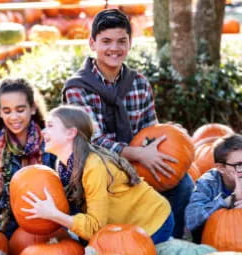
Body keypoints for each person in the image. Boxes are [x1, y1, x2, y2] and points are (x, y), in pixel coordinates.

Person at [61, 8, 193, 238]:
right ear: (92, 43)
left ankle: (172, 240)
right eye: (106, 41)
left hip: (136, 163)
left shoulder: (139, 83)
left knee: (181, 182)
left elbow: (150, 130)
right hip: (96, 168)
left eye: (122, 41)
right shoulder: (77, 88)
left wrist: (155, 150)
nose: (114, 48)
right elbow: (91, 140)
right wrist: (136, 154)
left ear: (130, 43)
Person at [21, 105, 173, 244]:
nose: (43, 131)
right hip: (121, 226)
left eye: (50, 126)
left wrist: (53, 214)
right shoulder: (62, 165)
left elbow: (94, 228)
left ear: (70, 133)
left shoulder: (93, 166)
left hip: (152, 223)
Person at [0, 77, 55, 236]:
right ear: (0, 112)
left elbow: (63, 189)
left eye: (20, 110)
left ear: (33, 108)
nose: (14, 117)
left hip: (48, 213)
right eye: (7, 111)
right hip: (8, 215)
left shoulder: (50, 140)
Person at [185, 134, 242, 243]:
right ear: (221, 168)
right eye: (239, 165)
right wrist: (230, 199)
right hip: (217, 243)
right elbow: (191, 221)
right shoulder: (208, 183)